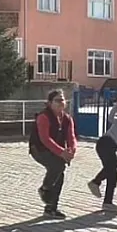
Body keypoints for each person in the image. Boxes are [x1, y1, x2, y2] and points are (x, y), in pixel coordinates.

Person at [29, 89, 78, 219]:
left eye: (62, 99)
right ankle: (44, 189)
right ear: (49, 103)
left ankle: (51, 208)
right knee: (57, 165)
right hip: (39, 149)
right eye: (57, 100)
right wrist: (62, 152)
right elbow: (45, 139)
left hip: (57, 150)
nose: (61, 102)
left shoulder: (67, 118)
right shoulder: (43, 117)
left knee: (59, 175)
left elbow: (71, 137)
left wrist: (71, 151)